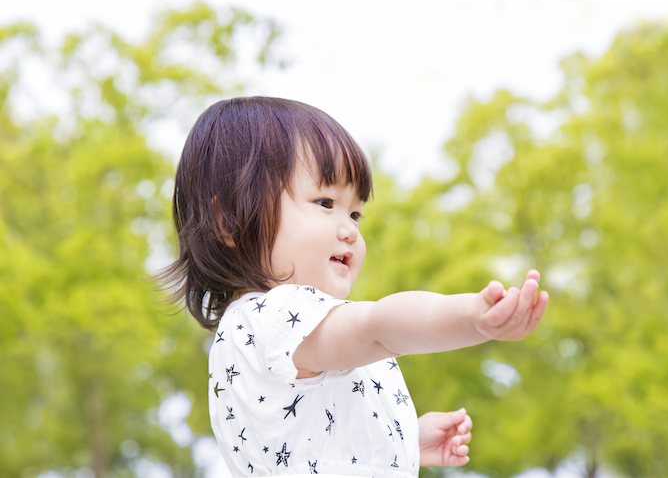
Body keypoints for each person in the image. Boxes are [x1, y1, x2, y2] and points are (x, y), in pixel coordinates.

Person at [160, 96, 549, 478]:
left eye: (356, 212)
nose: (350, 231)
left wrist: (402, 442)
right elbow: (379, 326)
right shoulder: (274, 317)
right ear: (229, 221)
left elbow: (309, 442)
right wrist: (471, 317)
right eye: (325, 202)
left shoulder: (262, 331)